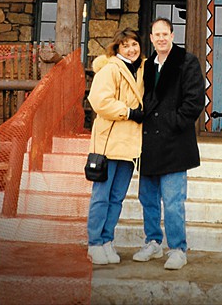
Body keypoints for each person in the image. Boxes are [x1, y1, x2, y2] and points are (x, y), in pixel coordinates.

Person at [131, 17, 206, 270]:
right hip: (149, 143)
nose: (161, 38)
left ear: (173, 35)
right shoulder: (147, 66)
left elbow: (195, 101)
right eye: (156, 35)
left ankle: (177, 249)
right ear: (151, 38)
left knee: (173, 201)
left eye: (165, 34)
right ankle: (153, 243)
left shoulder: (187, 62)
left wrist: (174, 122)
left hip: (175, 142)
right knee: (148, 199)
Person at [86, 28, 146, 265]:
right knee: (101, 196)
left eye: (134, 44)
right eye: (125, 45)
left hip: (130, 144)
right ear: (117, 48)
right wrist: (129, 111)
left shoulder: (141, 70)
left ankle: (107, 240)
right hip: (109, 142)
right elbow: (99, 101)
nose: (131, 49)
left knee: (117, 197)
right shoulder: (110, 69)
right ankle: (94, 243)